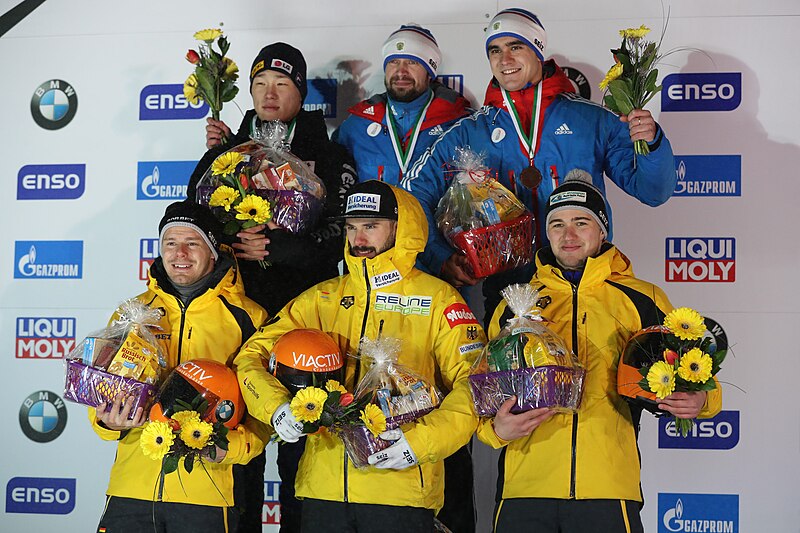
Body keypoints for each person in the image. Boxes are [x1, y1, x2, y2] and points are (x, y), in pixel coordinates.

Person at [234, 181, 487, 532]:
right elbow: (252, 355)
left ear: (402, 228)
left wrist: (422, 441)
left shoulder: (440, 299)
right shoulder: (320, 298)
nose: (359, 239)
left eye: (371, 226)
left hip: (401, 491)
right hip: (323, 491)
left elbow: (476, 383)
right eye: (352, 228)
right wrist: (275, 407)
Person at [402, 8, 676, 324]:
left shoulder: (590, 120)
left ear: (537, 50)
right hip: (509, 291)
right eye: (495, 50)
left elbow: (653, 191)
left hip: (585, 286)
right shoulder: (470, 132)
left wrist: (651, 143)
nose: (504, 59)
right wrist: (440, 256)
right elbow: (411, 196)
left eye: (515, 46)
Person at [480, 175, 722, 532]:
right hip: (524, 488)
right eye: (557, 224)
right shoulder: (515, 303)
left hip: (608, 486)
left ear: (603, 231)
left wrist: (703, 401)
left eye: (582, 222)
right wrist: (495, 431)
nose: (569, 235)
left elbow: (691, 370)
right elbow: (485, 390)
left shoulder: (642, 298)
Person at [187, 42, 356, 532]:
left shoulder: (329, 154)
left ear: (301, 94)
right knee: (233, 429)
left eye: (282, 85)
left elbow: (343, 232)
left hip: (304, 315)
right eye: (260, 84)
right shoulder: (223, 155)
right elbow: (192, 227)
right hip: (236, 315)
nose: (270, 93)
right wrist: (230, 245)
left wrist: (279, 249)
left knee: (304, 440)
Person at [90, 200, 270, 533]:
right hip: (130, 491)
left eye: (192, 242)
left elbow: (263, 414)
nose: (180, 253)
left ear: (213, 251)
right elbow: (102, 393)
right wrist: (106, 421)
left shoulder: (249, 318)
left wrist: (229, 448)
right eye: (170, 243)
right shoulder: (132, 313)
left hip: (206, 495)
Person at [333, 24, 471, 186]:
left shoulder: (460, 124)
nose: (401, 72)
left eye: (412, 62)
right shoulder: (355, 127)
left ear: (429, 72)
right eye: (394, 62)